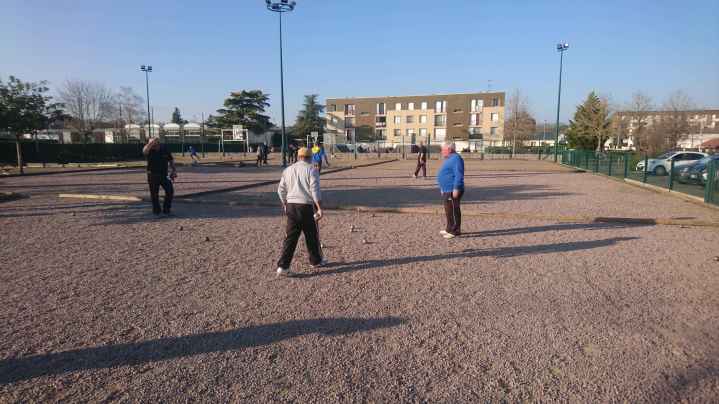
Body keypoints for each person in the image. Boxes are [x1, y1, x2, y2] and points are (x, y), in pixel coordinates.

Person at [276, 147, 327, 277]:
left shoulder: (288, 170)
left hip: (291, 206)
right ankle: (315, 261)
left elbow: (280, 190)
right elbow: (315, 190)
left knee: (290, 238)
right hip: (306, 206)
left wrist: (284, 203)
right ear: (310, 158)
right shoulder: (312, 169)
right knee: (312, 235)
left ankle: (283, 266)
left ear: (298, 157)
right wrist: (319, 208)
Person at [437, 141, 464, 239]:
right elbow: (446, 173)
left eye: (443, 150)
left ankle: (455, 230)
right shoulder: (449, 158)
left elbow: (459, 174)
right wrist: (442, 187)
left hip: (452, 190)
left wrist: (456, 188)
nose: (441, 151)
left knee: (453, 210)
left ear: (449, 149)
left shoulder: (456, 158)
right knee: (448, 210)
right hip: (447, 190)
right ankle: (449, 228)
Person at [143, 137, 176, 216]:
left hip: (164, 174)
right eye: (152, 144)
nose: (154, 145)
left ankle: (166, 209)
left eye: (156, 143)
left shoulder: (164, 148)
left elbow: (170, 160)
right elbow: (144, 151)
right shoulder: (149, 150)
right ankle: (157, 211)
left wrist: (173, 171)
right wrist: (150, 143)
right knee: (154, 194)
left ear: (159, 143)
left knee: (170, 191)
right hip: (152, 175)